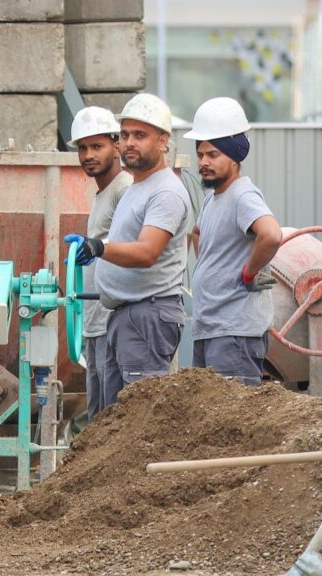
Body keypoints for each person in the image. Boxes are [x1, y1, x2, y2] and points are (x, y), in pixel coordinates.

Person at [65, 93, 191, 405]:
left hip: (146, 315)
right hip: (127, 315)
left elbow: (148, 252)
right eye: (125, 135)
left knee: (138, 419)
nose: (130, 143)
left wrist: (98, 248)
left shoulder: (164, 192)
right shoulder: (138, 187)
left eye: (140, 135)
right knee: (116, 423)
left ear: (163, 141)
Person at [183, 97, 281, 386]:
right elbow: (197, 233)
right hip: (212, 328)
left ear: (235, 154)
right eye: (200, 155)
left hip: (234, 333)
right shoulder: (214, 196)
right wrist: (212, 270)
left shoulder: (242, 196)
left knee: (231, 425)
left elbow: (271, 235)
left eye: (213, 155)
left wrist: (248, 273)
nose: (203, 162)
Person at [66, 106, 132, 420]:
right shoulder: (103, 193)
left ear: (116, 145)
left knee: (109, 418)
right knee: (97, 416)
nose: (88, 155)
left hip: (111, 321)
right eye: (82, 148)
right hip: (94, 322)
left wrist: (97, 247)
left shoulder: (124, 190)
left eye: (97, 146)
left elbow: (131, 249)